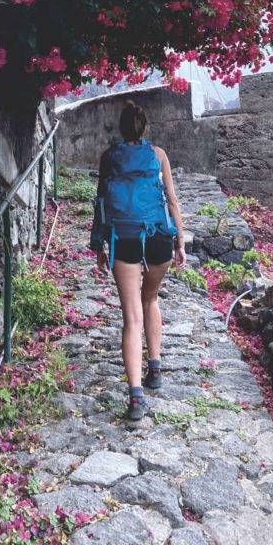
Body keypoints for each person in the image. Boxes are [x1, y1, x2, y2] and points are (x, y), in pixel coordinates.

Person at [90, 99, 186, 421]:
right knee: (151, 299)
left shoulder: (109, 157)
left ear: (121, 129)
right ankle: (155, 368)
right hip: (158, 238)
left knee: (131, 319)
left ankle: (135, 399)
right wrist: (180, 241)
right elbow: (172, 200)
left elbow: (101, 202)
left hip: (123, 238)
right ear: (144, 128)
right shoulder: (158, 155)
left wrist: (99, 245)